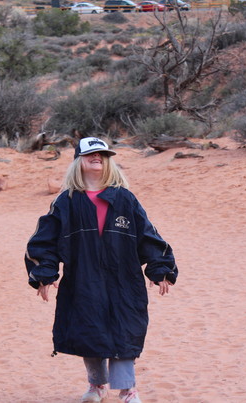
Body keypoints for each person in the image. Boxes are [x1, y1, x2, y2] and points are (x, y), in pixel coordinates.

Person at [24, 137, 178, 403]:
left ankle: (128, 389)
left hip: (123, 277)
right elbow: (44, 241)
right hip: (83, 277)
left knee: (125, 328)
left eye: (102, 154)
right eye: (91, 154)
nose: (97, 157)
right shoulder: (66, 201)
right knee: (89, 329)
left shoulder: (125, 199)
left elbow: (148, 235)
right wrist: (44, 275)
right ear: (78, 161)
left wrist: (160, 268)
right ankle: (97, 385)